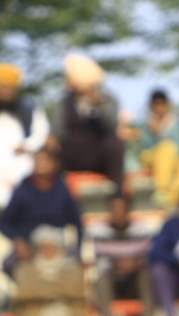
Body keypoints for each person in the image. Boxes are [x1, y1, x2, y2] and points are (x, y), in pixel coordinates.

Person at [89, 192, 158, 316]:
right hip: (113, 277)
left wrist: (134, 263)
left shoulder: (142, 228)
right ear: (109, 210)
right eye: (114, 208)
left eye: (122, 208)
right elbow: (98, 259)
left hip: (135, 277)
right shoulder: (98, 230)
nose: (118, 212)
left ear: (128, 209)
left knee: (149, 276)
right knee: (99, 280)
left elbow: (149, 256)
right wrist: (116, 264)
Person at [0, 147, 81, 274]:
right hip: (30, 244)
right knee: (9, 264)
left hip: (58, 240)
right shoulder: (22, 190)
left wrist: (79, 249)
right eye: (37, 160)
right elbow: (5, 223)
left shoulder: (62, 189)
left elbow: (77, 221)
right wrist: (18, 240)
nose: (41, 164)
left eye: (45, 160)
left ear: (54, 164)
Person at [51, 54, 125, 186]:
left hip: (99, 154)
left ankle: (118, 192)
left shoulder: (108, 99)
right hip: (74, 154)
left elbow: (112, 126)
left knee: (115, 145)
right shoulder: (65, 102)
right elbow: (57, 130)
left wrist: (100, 106)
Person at [137, 89, 179, 209]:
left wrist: (162, 131)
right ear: (152, 106)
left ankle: (171, 198)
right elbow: (145, 145)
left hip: (172, 157)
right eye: (156, 104)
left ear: (167, 104)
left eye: (162, 104)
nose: (159, 107)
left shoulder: (176, 122)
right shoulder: (145, 121)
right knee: (166, 147)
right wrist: (155, 132)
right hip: (150, 155)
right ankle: (161, 189)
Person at [0, 64, 50, 209]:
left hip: (22, 166)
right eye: (2, 87)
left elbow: (41, 135)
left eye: (8, 87)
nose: (4, 91)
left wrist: (27, 146)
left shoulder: (30, 110)